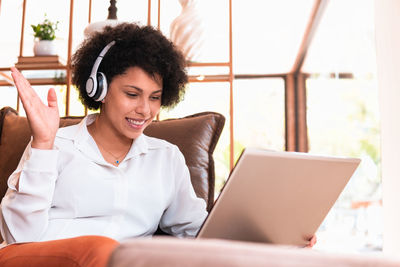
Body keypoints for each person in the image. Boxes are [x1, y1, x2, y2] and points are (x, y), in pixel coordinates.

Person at [0, 22, 315, 266]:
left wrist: (280, 239)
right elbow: (18, 237)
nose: (145, 110)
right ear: (99, 89)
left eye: (154, 98)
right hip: (39, 258)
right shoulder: (55, 146)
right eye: (132, 94)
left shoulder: (166, 159)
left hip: (124, 262)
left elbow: (201, 234)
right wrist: (43, 142)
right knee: (103, 249)